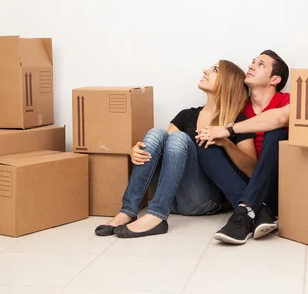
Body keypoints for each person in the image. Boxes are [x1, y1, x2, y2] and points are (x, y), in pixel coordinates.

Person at [94, 60, 256, 239]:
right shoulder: (186, 115)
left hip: (202, 201)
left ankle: (156, 216)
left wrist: (226, 142)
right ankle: (127, 211)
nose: (206, 70)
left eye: (215, 70)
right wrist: (135, 151)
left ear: (228, 82)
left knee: (178, 137)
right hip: (170, 198)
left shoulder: (236, 122)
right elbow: (164, 150)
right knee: (156, 134)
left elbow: (251, 170)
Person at [196, 50, 290, 244]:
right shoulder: (239, 108)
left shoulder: (288, 100)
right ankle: (258, 210)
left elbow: (281, 117)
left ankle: (247, 210)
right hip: (244, 182)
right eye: (253, 62)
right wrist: (218, 136)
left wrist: (228, 130)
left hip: (277, 185)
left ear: (275, 79)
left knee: (277, 132)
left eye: (261, 64)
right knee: (207, 141)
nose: (251, 66)